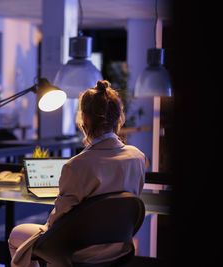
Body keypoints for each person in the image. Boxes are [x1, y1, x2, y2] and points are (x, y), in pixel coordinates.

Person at [8, 80, 147, 267]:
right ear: (119, 117)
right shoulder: (137, 158)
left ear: (84, 118)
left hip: (77, 250)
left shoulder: (77, 165)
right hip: (119, 247)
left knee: (17, 234)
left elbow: (59, 219)